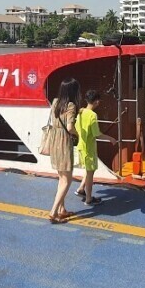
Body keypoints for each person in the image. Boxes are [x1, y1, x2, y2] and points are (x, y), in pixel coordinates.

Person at [46, 78, 80, 223]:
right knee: (67, 180)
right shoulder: (71, 105)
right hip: (64, 140)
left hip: (54, 139)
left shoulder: (54, 102)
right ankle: (53, 212)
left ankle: (62, 209)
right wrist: (79, 134)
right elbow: (70, 127)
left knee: (61, 177)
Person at [74, 90, 104, 205]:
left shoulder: (80, 112)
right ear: (96, 101)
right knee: (91, 173)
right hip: (89, 148)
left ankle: (81, 189)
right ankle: (89, 199)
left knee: (88, 169)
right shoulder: (93, 115)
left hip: (81, 146)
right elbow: (97, 133)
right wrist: (111, 139)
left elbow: (76, 128)